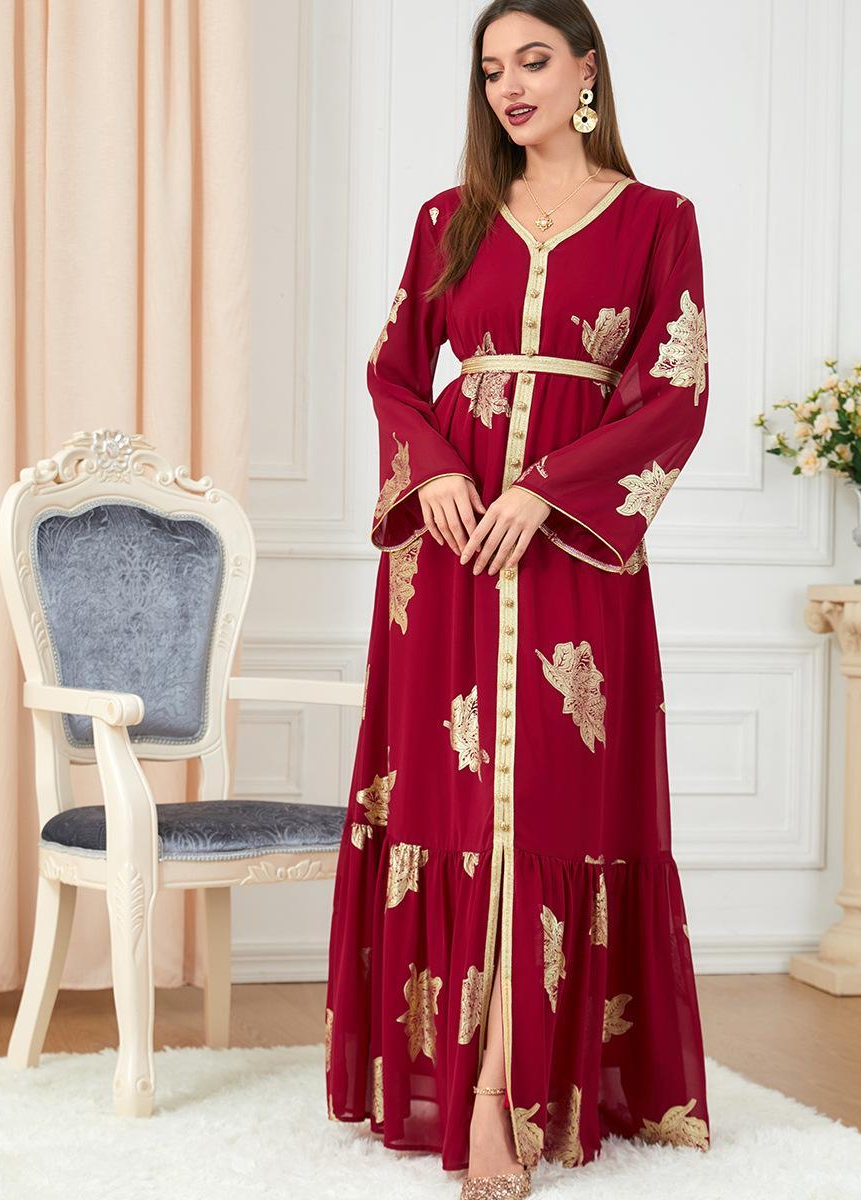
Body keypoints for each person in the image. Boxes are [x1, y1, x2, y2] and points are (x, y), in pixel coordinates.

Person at [325, 2, 711, 1194]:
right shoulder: (449, 218)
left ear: (587, 70)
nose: (511, 85)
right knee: (459, 802)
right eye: (493, 68)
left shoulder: (657, 220)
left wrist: (546, 488)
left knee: (547, 801)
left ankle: (507, 1088)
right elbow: (395, 371)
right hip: (449, 549)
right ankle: (480, 1087)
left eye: (534, 60)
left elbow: (676, 393)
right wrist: (437, 468)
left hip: (571, 548)